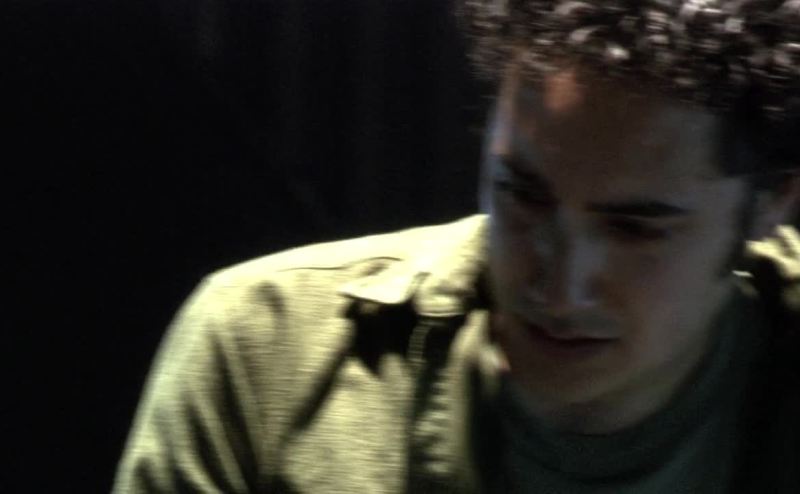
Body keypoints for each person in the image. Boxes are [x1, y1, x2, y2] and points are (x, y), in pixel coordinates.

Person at [113, 1, 800, 492]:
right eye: (522, 194)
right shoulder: (266, 348)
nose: (559, 283)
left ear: (772, 205)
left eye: (635, 228)